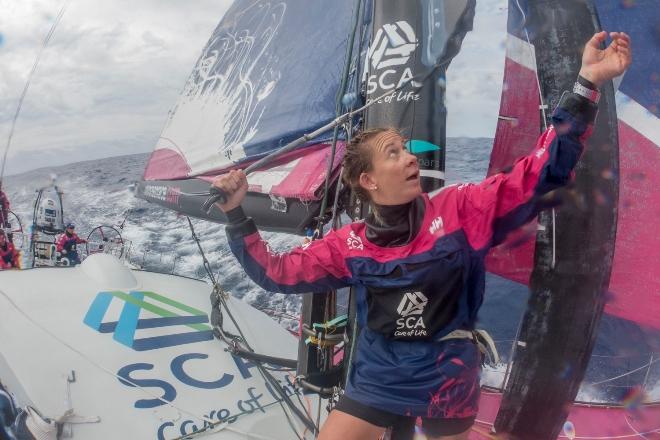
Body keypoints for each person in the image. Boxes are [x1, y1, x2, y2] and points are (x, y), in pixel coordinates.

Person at [212, 31, 631, 440]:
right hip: (377, 380)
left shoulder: (463, 209)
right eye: (394, 153)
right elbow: (278, 273)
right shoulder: (349, 244)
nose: (411, 157)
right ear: (369, 180)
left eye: (406, 148)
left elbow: (541, 171)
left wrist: (586, 84)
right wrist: (235, 214)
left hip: (446, 383)